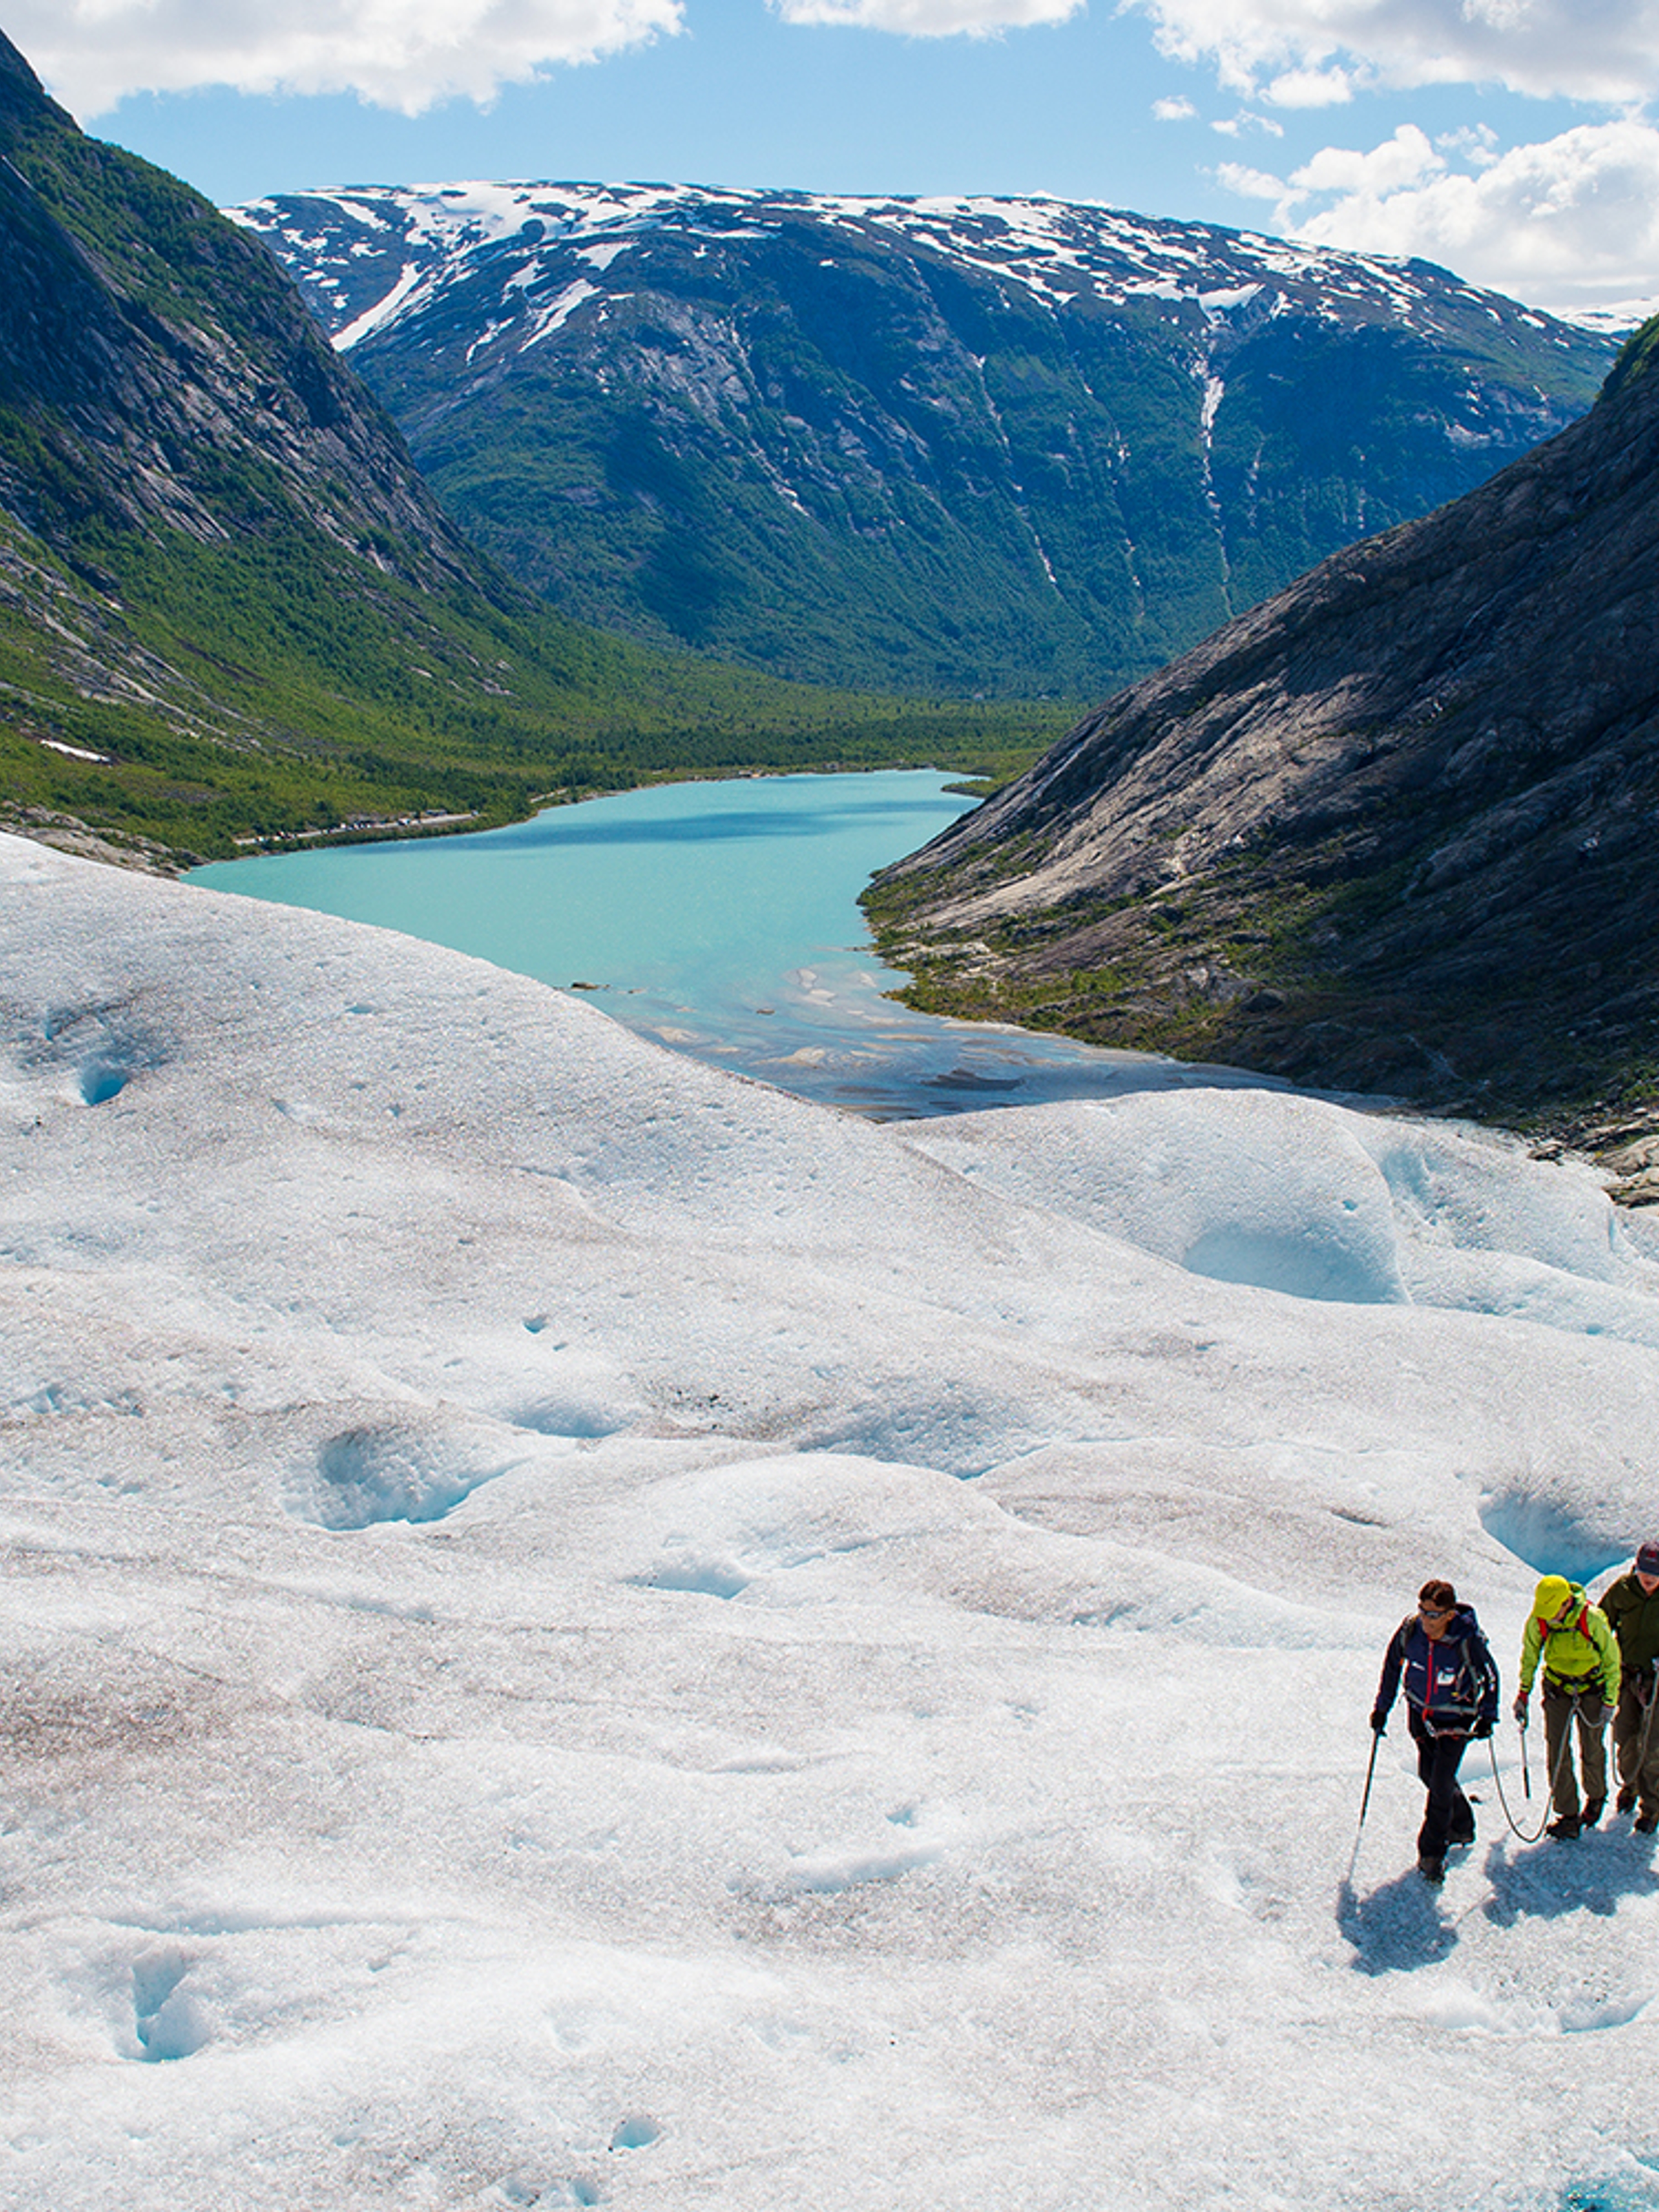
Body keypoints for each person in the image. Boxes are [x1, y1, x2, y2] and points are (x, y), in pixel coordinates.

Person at [1371, 1579, 1500, 1883]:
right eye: (1423, 1611)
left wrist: (1487, 1715)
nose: (1427, 1620)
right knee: (1429, 1774)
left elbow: (1491, 1676)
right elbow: (1392, 1668)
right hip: (1420, 1715)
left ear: (1450, 1615)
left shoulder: (1467, 1640)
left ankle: (1432, 1854)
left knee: (1440, 1783)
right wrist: (1381, 1709)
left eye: (1434, 1614)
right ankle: (1462, 1823)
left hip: (1456, 1719)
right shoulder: (1410, 1632)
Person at [1513, 1574, 1621, 1839]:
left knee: (1592, 1747)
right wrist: (1523, 1694)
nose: (1551, 1618)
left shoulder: (1591, 1618)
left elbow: (1611, 1659)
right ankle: (1568, 1814)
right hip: (1557, 1689)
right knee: (1557, 1750)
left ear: (1566, 1603)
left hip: (1592, 1689)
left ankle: (1596, 1797)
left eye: (1554, 1612)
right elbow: (1530, 1655)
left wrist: (1610, 1700)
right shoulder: (1539, 1620)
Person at [1602, 1542, 1659, 1833]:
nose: (1648, 1578)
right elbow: (1602, 1625)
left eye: (1655, 1573)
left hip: (1657, 1682)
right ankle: (1630, 1786)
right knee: (1625, 1734)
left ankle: (1652, 1808)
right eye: (1644, 1571)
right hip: (1627, 1677)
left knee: (1653, 1745)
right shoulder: (1623, 1591)